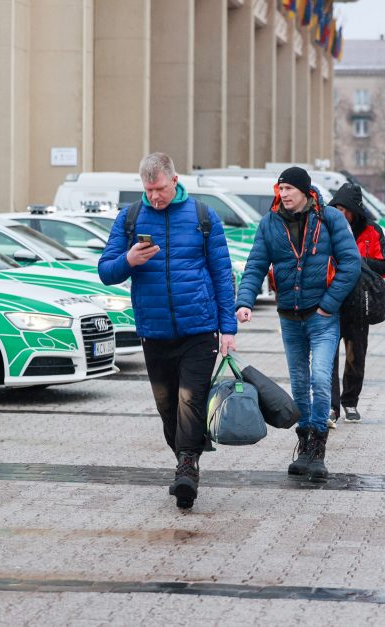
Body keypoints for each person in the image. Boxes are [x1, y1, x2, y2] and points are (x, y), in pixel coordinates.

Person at [98, 152, 237, 510]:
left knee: (190, 400)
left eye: (159, 189)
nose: (155, 196)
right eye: (148, 190)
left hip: (199, 329)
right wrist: (129, 260)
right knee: (167, 408)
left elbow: (222, 274)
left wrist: (228, 327)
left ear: (174, 181)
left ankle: (187, 469)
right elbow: (105, 271)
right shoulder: (129, 218)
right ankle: (186, 457)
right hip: (154, 331)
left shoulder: (204, 217)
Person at [235, 167, 360, 481]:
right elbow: (255, 265)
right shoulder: (270, 224)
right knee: (300, 386)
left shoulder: (330, 219)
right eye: (281, 189)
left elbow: (351, 263)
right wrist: (245, 301)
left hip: (322, 318)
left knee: (320, 379)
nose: (284, 194)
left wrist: (329, 306)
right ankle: (304, 446)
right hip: (289, 318)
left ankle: (319, 446)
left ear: (305, 190)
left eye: (290, 188)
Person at [327, 183, 385, 428]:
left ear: (356, 211)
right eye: (337, 208)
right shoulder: (326, 227)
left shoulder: (372, 231)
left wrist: (357, 262)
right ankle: (331, 407)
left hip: (358, 306)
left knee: (356, 357)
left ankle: (350, 401)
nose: (341, 214)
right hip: (330, 303)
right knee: (327, 359)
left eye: (346, 209)